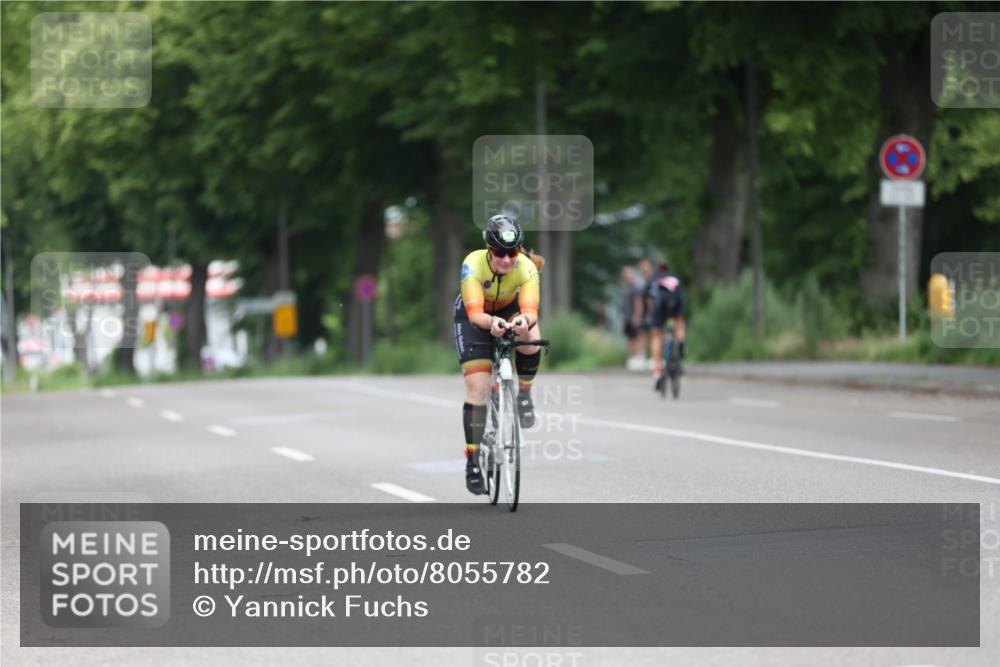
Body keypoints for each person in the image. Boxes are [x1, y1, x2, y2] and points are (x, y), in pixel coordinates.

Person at [453, 215, 545, 495]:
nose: (507, 259)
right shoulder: (473, 264)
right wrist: (491, 324)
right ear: (488, 251)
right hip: (475, 317)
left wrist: (522, 322)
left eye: (513, 252)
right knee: (478, 389)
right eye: (500, 253)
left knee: (531, 336)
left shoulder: (527, 268)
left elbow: (530, 311)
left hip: (509, 310)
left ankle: (524, 395)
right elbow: (475, 314)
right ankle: (472, 460)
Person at [646, 262, 687, 391]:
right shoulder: (675, 277)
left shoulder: (654, 279)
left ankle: (657, 370)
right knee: (679, 323)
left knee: (657, 335)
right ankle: (680, 343)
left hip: (659, 307)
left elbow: (649, 299)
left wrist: (651, 316)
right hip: (675, 304)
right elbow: (681, 295)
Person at [620, 266, 645, 371]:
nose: (627, 276)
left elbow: (638, 302)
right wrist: (622, 318)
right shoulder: (625, 288)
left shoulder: (635, 288)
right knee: (630, 339)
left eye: (628, 273)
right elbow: (623, 305)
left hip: (633, 317)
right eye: (625, 274)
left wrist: (637, 316)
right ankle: (632, 358)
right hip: (626, 317)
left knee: (637, 337)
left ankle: (639, 358)